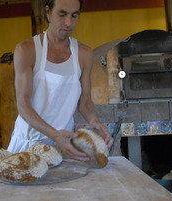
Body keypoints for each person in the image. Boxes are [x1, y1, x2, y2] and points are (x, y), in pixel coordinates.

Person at [7, 0, 113, 161]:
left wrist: (94, 120)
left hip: (63, 146)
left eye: (74, 16)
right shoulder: (27, 50)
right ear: (48, 13)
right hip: (27, 144)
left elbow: (84, 101)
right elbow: (23, 104)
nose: (68, 23)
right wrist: (54, 134)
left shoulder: (84, 53)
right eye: (62, 15)